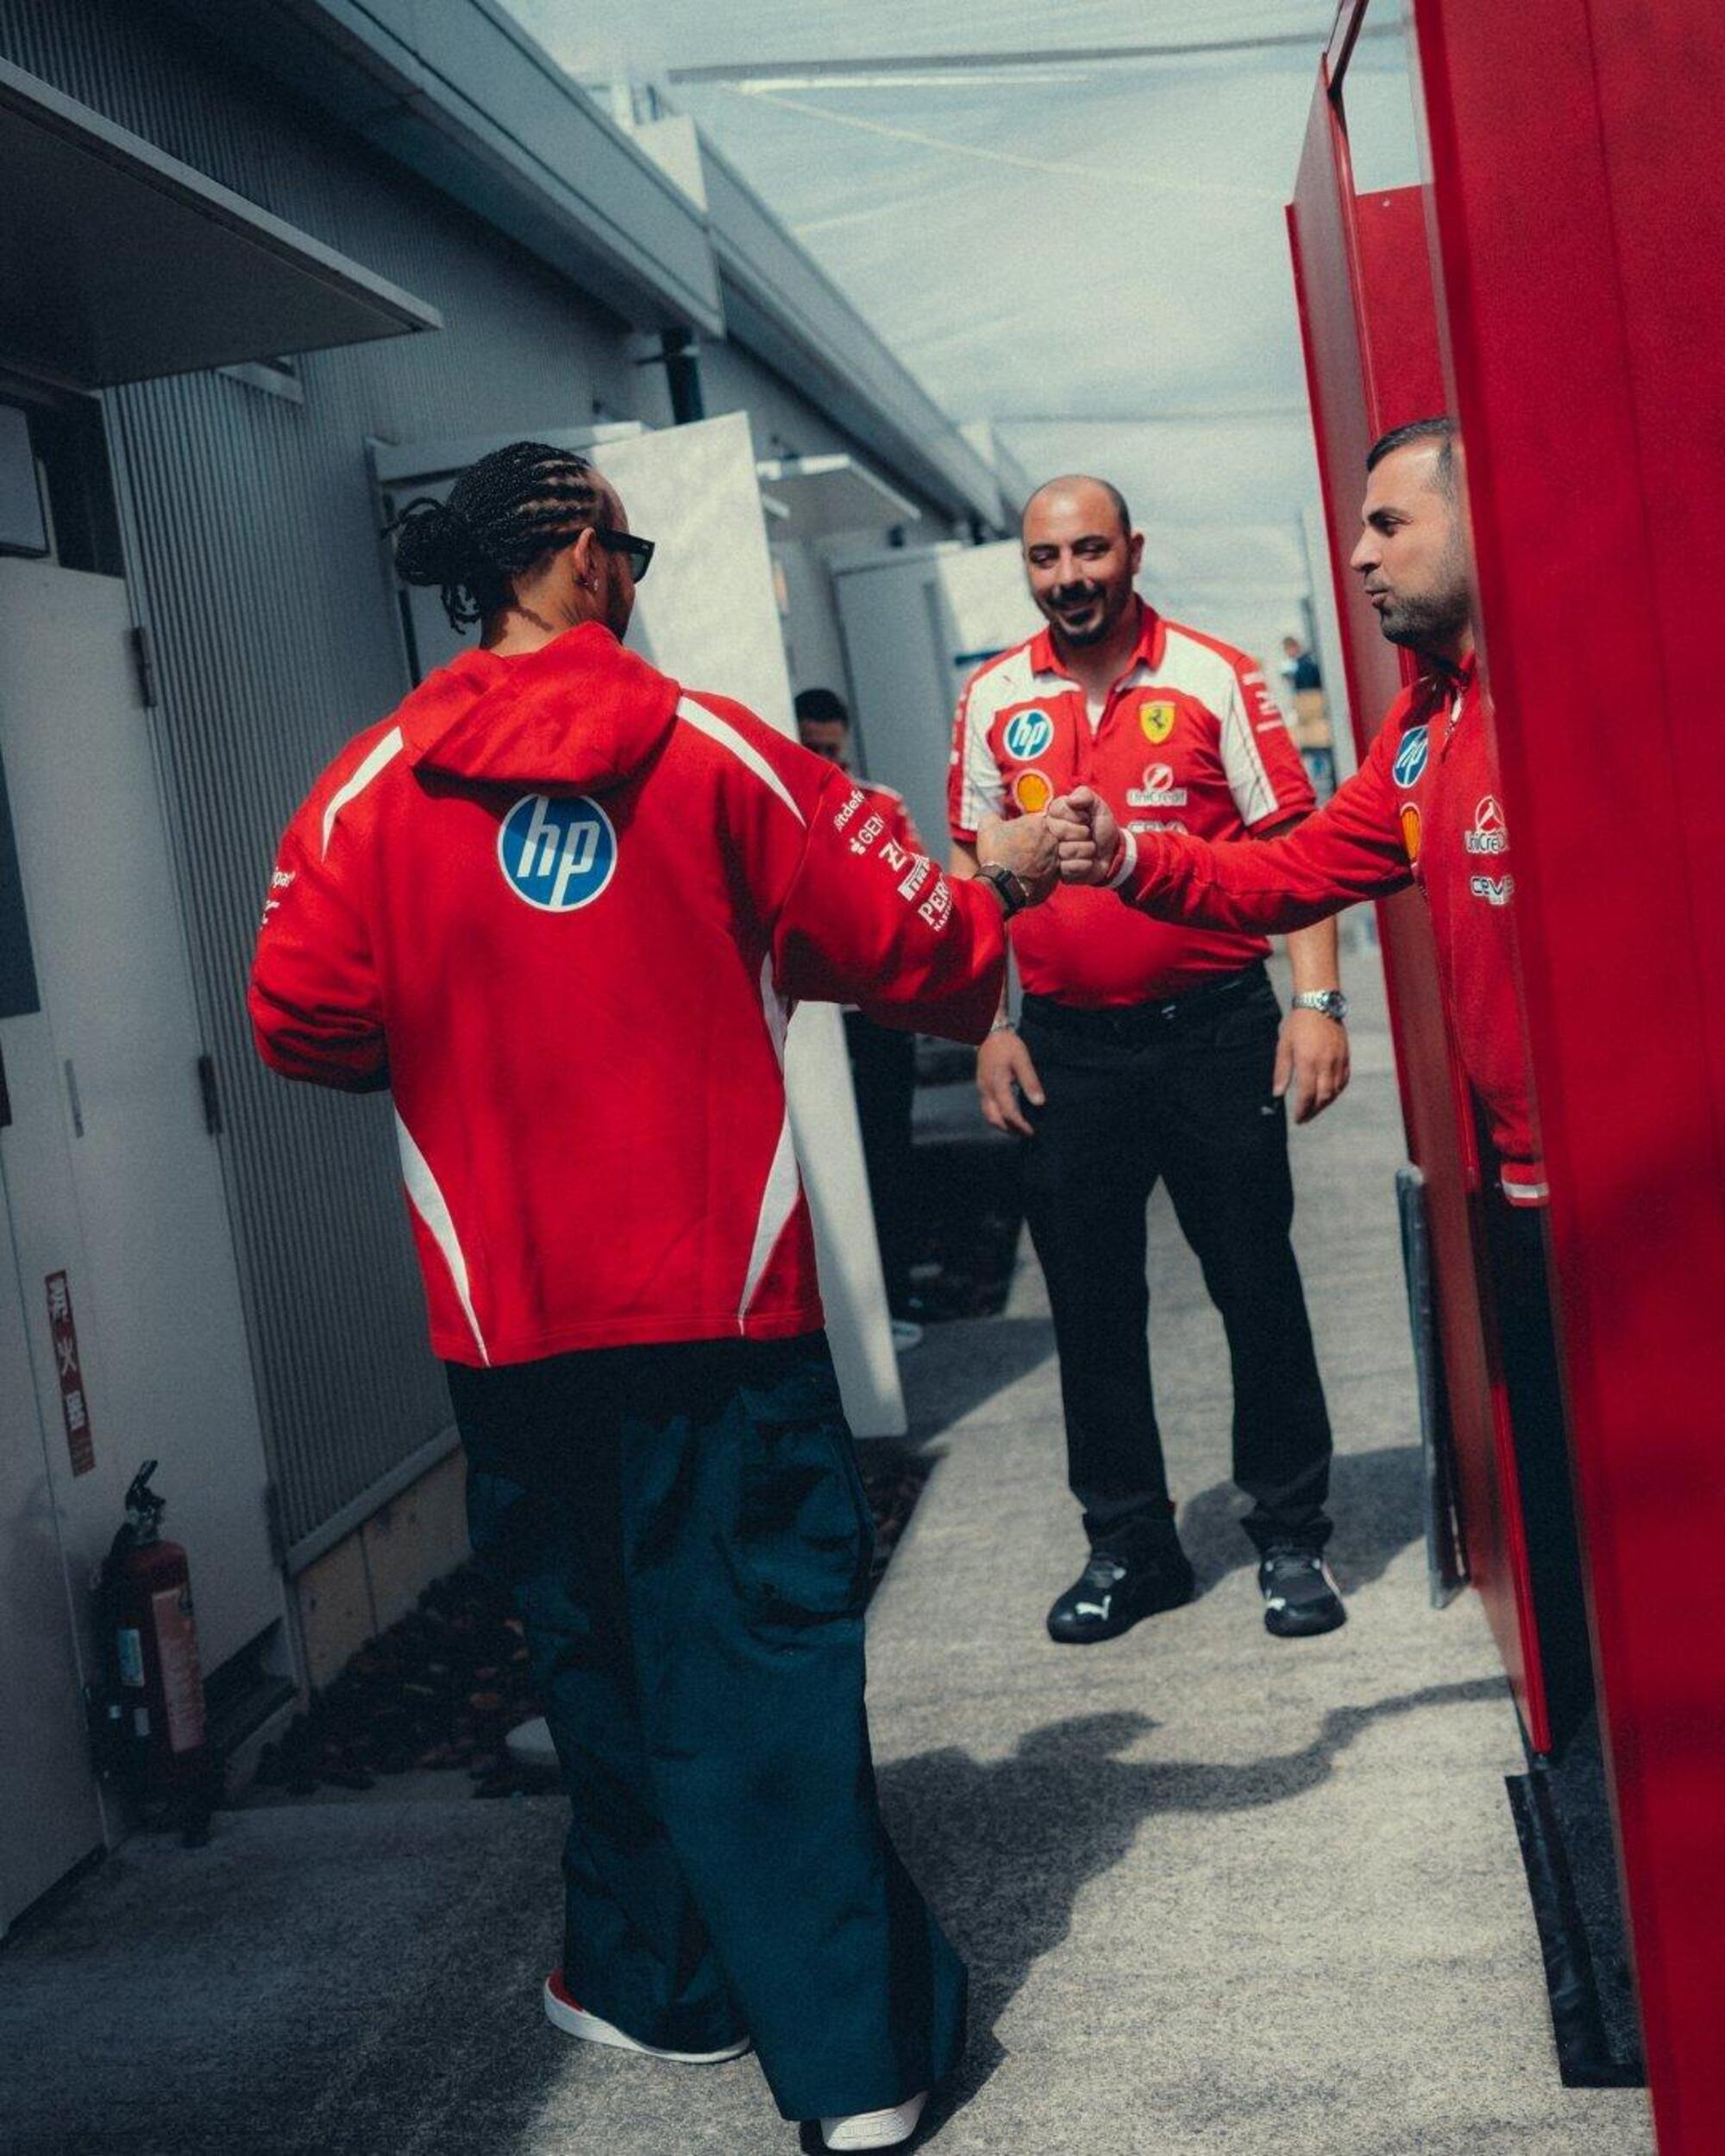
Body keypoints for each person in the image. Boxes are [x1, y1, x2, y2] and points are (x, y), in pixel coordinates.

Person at [249, 440, 1059, 2152]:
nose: (638, 573)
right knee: (754, 1658)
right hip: (715, 1305)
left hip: (510, 1321)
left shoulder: (362, 789)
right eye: (626, 544)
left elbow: (300, 1015)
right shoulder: (716, 756)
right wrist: (1004, 891)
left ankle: (651, 1975)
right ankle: (855, 2063)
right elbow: (910, 943)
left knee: (594, 1643)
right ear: (575, 557)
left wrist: (472, 1042)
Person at [1050, 418, 1594, 1751]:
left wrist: (1317, 1006)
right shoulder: (1426, 722)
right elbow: (1291, 871)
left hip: (1618, 1175)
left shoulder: (1571, 689)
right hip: (1519, 1184)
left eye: (1389, 526)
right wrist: (1133, 858)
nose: (1358, 555)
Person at [948, 473, 1353, 1647]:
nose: (1068, 576)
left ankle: (1287, 1533)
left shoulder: (1214, 675)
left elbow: (1296, 848)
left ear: (1132, 549)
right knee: (1092, 1308)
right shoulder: (991, 698)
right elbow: (972, 876)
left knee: (1255, 1286)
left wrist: (1315, 1000)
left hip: (1215, 1035)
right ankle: (1131, 1547)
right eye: (1044, 558)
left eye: (1088, 550)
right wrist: (988, 1026)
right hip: (1067, 1054)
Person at [794, 686, 924, 1350]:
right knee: (824, 1166)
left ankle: (896, 1296)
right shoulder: (781, 804)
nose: (824, 762)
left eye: (832, 752)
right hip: (810, 1024)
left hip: (874, 1016)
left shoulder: (880, 805)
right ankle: (842, 1316)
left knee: (888, 1157)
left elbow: (914, 894)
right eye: (811, 749)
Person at [1281, 634, 1336, 799]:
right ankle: (1324, 781)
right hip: (1317, 717)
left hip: (1311, 716)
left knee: (1316, 753)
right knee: (1320, 753)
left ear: (1292, 647)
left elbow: (1306, 696)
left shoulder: (1302, 666)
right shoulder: (1308, 662)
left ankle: (1321, 783)